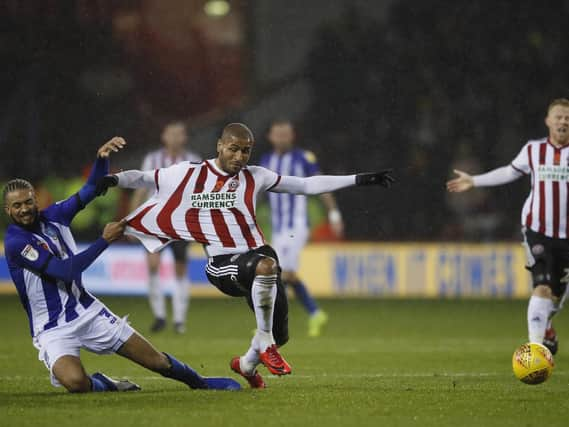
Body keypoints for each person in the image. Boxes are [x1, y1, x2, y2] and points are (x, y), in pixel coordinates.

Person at [96, 123, 395, 388]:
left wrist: (360, 179)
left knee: (282, 334)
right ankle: (263, 342)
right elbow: (143, 178)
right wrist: (112, 181)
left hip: (259, 257)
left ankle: (248, 363)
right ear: (220, 146)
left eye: (246, 151)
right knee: (267, 270)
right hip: (222, 265)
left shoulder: (257, 176)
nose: (239, 157)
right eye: (234, 149)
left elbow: (305, 185)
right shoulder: (188, 173)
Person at [3, 137, 239, 393]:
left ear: (36, 201)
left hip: (87, 311)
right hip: (51, 328)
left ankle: (201, 384)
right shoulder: (16, 242)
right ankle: (104, 383)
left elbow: (91, 189)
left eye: (28, 202)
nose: (24, 209)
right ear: (7, 210)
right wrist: (104, 241)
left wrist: (101, 159)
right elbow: (65, 271)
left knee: (156, 361)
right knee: (75, 383)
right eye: (17, 205)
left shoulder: (54, 217)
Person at [446, 98, 569, 355]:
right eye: (558, 116)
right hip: (538, 230)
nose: (563, 121)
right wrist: (475, 181)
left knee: (555, 299)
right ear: (548, 121)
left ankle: (545, 324)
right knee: (542, 286)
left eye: (567, 117)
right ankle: (535, 351)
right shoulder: (534, 150)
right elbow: (509, 172)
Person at [260, 119, 343, 337]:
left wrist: (334, 214)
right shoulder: (266, 160)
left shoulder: (304, 158)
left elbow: (323, 185)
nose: (282, 138)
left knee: (280, 274)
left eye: (285, 133)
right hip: (277, 229)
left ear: (292, 136)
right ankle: (315, 313)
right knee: (285, 275)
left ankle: (269, 325)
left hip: (296, 226)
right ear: (271, 137)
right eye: (278, 134)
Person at [130, 121, 201, 334]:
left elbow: (200, 194)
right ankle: (160, 315)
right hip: (154, 222)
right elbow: (141, 190)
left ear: (185, 137)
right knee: (153, 265)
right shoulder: (152, 159)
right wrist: (132, 220)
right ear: (164, 136)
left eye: (179, 134)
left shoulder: (194, 161)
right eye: (172, 134)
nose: (175, 138)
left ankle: (179, 320)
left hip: (180, 222)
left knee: (180, 269)